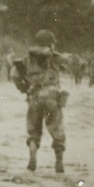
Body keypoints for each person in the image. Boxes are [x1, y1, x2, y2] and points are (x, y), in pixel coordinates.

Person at [15, 29, 68, 172]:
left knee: (34, 131)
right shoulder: (55, 57)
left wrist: (23, 87)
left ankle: (32, 158)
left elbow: (15, 75)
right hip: (52, 98)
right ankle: (59, 163)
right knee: (57, 130)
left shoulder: (27, 58)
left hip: (34, 97)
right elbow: (69, 63)